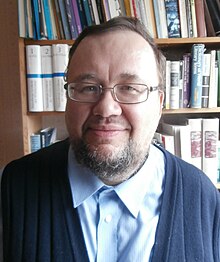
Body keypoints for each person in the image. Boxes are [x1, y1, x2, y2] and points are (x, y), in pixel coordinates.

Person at [0, 16, 219, 262]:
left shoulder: (203, 197)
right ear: (68, 100)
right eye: (88, 87)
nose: (106, 109)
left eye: (130, 88)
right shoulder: (13, 188)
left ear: (159, 105)